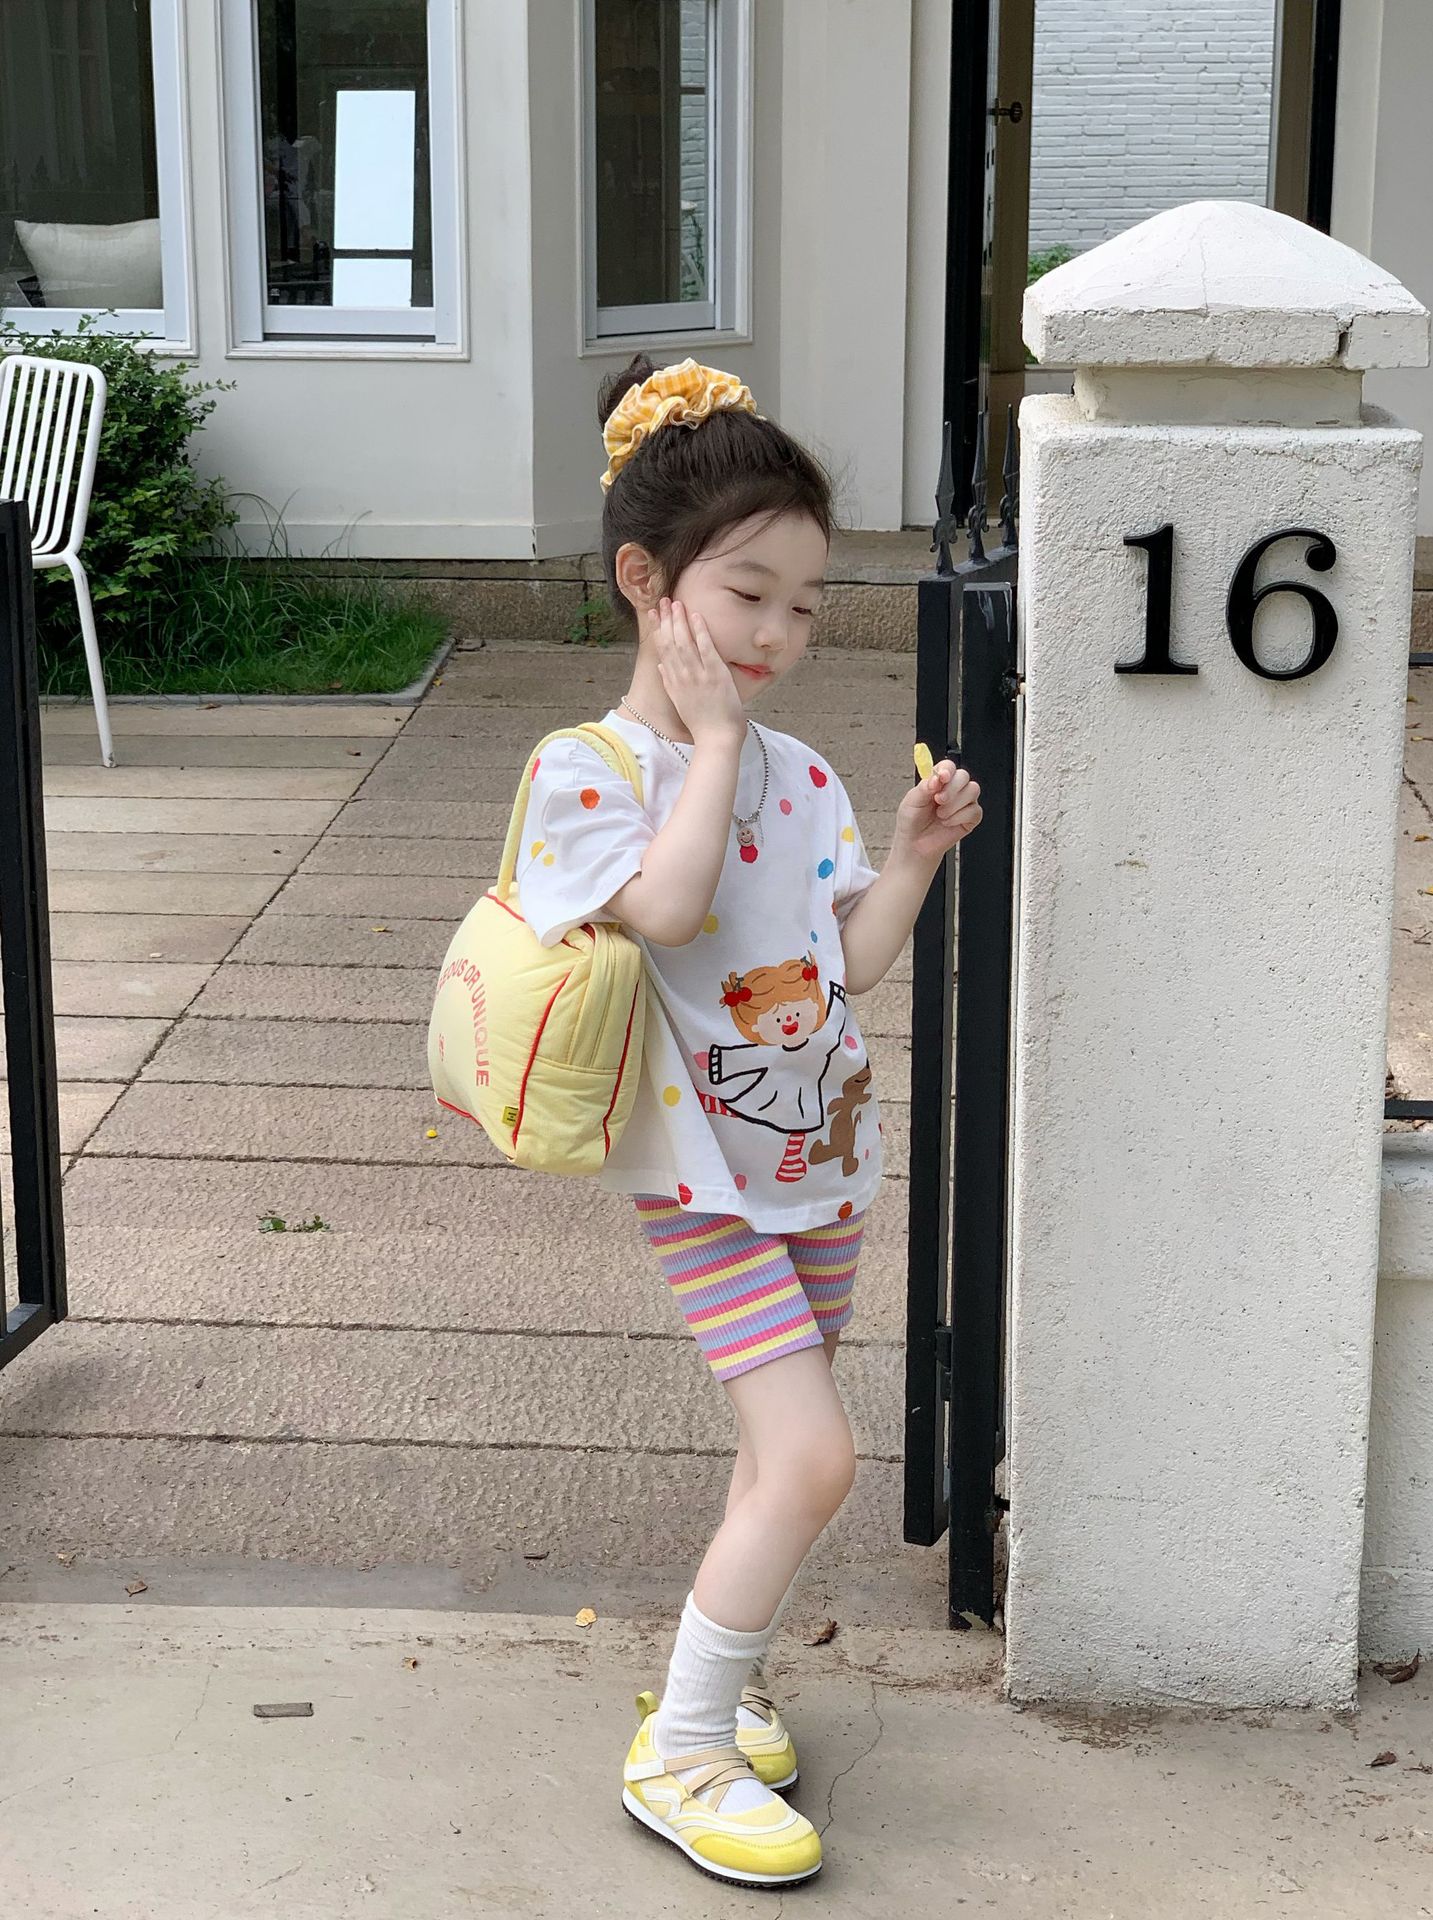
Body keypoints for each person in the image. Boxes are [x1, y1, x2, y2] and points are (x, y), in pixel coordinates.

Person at [515, 355, 982, 1890]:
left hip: (820, 1158)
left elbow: (848, 961)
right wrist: (709, 747)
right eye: (747, 596)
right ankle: (685, 1744)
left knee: (777, 1457)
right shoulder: (587, 772)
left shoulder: (803, 771)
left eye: (805, 605)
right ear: (646, 584)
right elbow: (663, 908)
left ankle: (729, 1681)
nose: (779, 635)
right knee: (815, 1455)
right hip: (703, 1176)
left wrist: (908, 858)